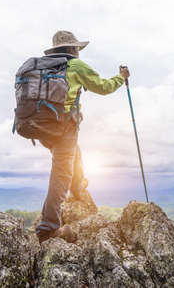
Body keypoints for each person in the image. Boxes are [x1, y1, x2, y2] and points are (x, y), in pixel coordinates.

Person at [35, 30, 130, 244]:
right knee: (61, 172)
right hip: (63, 128)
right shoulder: (75, 66)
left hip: (40, 127)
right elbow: (103, 87)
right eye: (77, 48)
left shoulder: (42, 66)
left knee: (73, 153)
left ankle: (77, 188)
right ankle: (47, 229)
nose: (78, 52)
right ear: (72, 49)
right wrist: (121, 77)